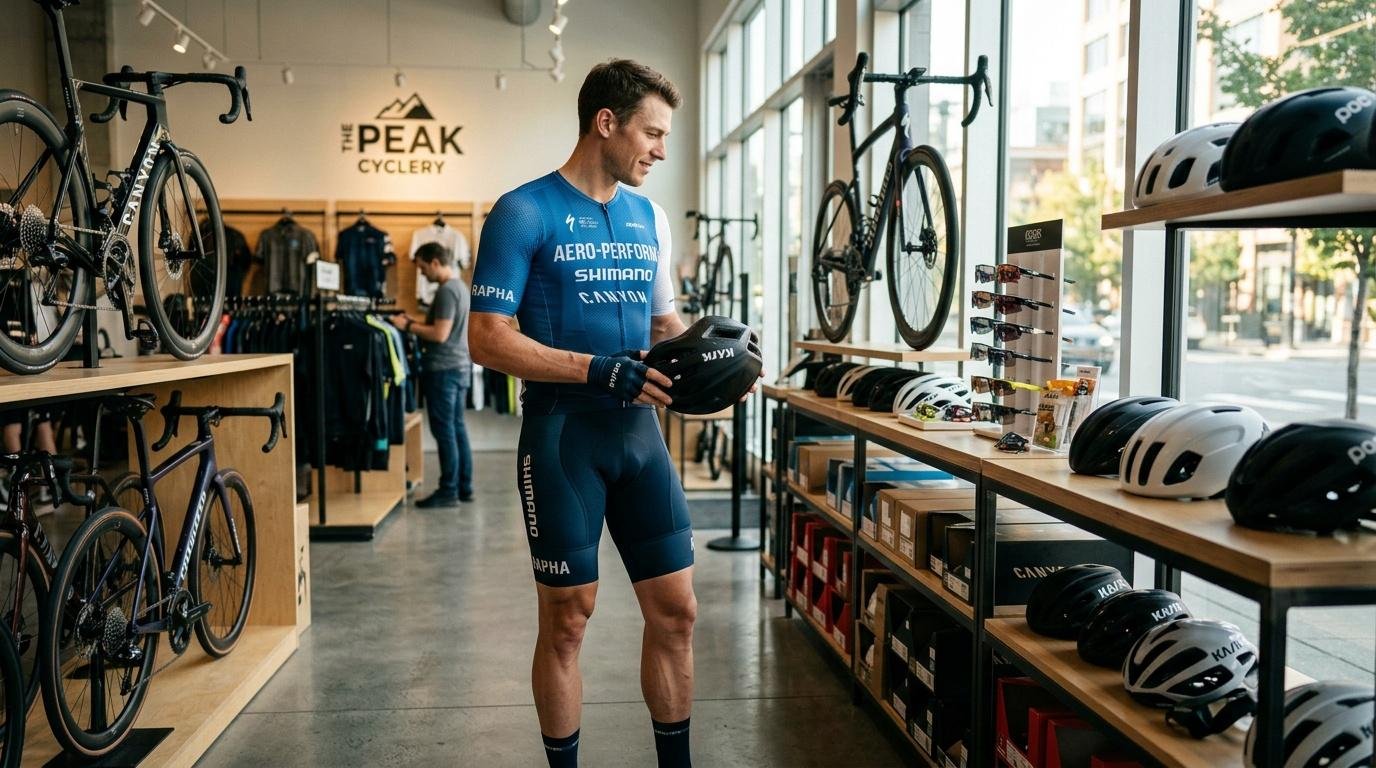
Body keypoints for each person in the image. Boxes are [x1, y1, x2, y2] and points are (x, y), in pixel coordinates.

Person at [470, 59, 757, 768]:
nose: (660, 149)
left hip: (639, 439)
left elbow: (665, 324)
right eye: (652, 134)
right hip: (564, 437)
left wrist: (720, 369)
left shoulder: (648, 217)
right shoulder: (523, 210)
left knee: (678, 613)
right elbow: (487, 338)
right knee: (568, 622)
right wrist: (595, 369)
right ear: (607, 123)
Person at [389, 242, 474, 507]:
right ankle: (464, 486)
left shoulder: (448, 291)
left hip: (443, 370)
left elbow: (440, 334)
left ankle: (448, 490)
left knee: (445, 431)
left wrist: (408, 325)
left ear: (435, 262)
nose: (423, 274)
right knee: (457, 428)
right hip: (459, 366)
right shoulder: (460, 287)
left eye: (424, 268)